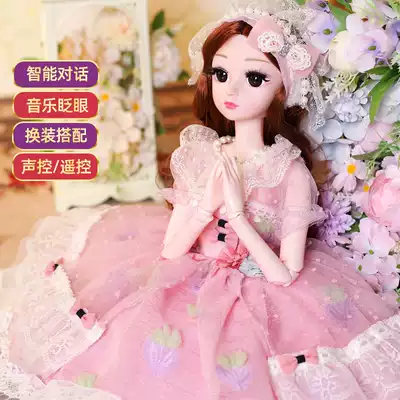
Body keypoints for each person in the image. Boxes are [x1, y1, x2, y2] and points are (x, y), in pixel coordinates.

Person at [1, 1, 399, 399]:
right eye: (221, 73)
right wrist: (205, 208)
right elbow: (171, 251)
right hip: (188, 273)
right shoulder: (204, 153)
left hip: (261, 287)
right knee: (138, 341)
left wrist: (239, 218)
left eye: (255, 78)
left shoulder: (289, 172)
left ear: (283, 89)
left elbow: (285, 274)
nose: (232, 89)